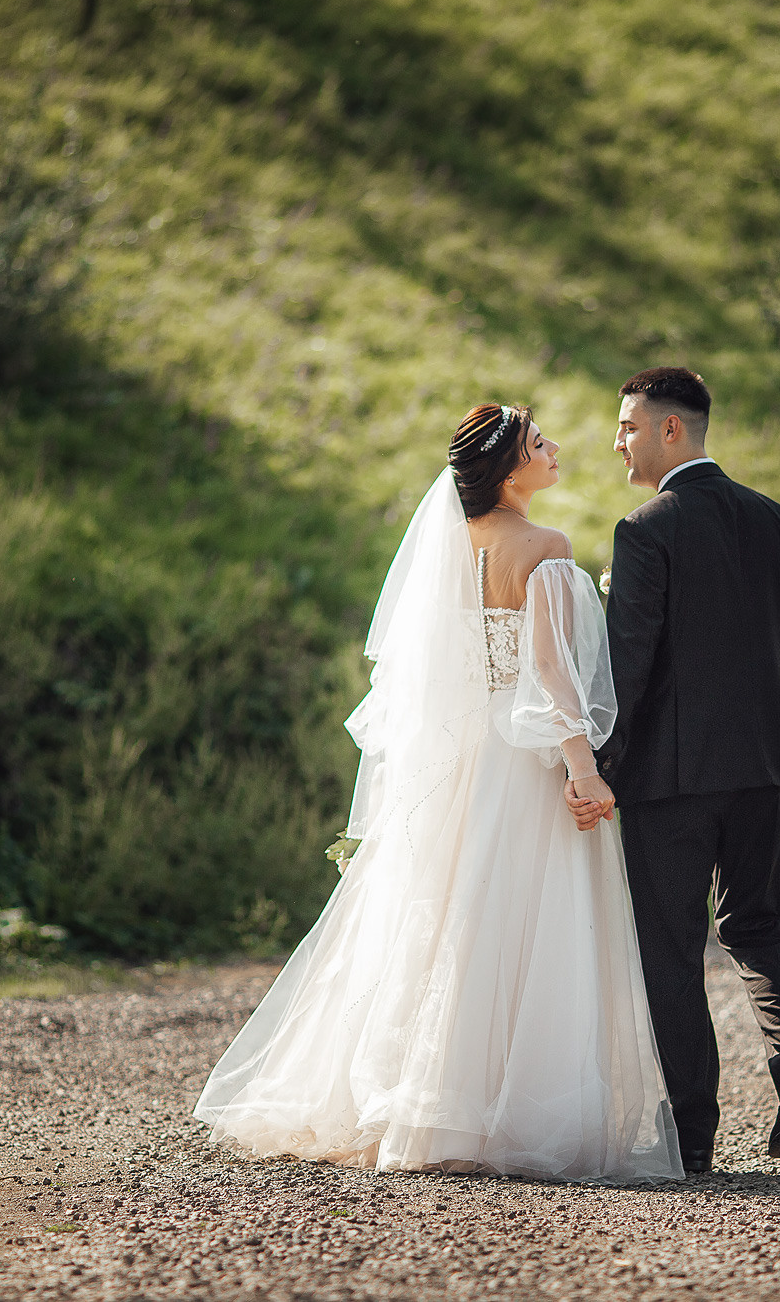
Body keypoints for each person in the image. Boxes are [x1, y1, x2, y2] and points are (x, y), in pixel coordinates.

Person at [193, 403, 683, 1184]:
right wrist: (584, 770)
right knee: (519, 920)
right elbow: (550, 674)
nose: (554, 448)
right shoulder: (547, 548)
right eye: (539, 443)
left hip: (459, 757)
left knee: (449, 916)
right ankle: (503, 1110)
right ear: (510, 468)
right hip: (521, 759)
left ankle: (428, 1102)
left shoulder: (448, 548)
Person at [569, 366, 780, 1175]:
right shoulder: (779, 522)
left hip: (670, 781)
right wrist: (774, 740)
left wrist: (601, 767)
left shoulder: (645, 529)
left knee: (672, 949)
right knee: (761, 925)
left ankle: (694, 1133)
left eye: (627, 426)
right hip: (766, 765)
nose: (618, 441)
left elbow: (629, 668)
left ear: (669, 429)